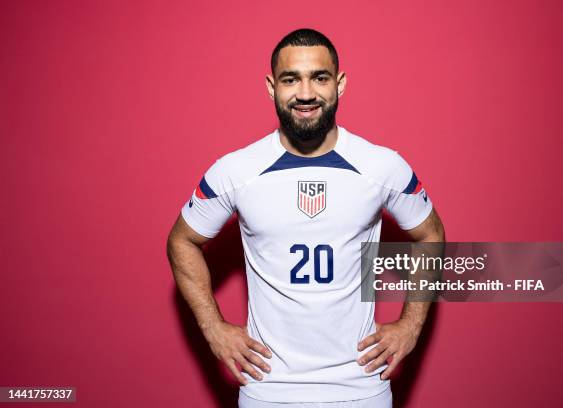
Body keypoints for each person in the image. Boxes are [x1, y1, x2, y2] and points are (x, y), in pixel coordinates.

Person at [166, 28, 445, 408]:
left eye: (320, 77)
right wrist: (213, 327)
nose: (306, 93)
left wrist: (410, 326)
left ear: (340, 84)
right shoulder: (236, 171)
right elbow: (182, 240)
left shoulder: (382, 166)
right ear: (271, 86)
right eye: (290, 79)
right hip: (268, 389)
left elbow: (430, 235)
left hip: (361, 388)